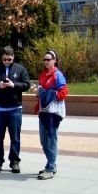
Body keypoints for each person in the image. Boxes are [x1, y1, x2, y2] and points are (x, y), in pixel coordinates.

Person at [0, 46, 30, 174]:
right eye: (5, 59)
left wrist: (13, 85)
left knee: (15, 137)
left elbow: (26, 84)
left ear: (13, 57)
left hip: (15, 109)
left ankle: (14, 162)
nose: (7, 62)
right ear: (1, 58)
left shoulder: (20, 69)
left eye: (9, 59)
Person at [34, 50, 68, 180]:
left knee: (51, 140)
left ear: (54, 60)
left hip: (53, 113)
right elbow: (42, 93)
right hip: (44, 112)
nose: (46, 62)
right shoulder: (43, 75)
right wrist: (40, 96)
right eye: (45, 59)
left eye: (48, 59)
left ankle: (50, 167)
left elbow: (64, 91)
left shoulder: (57, 75)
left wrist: (50, 94)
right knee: (44, 141)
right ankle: (51, 164)